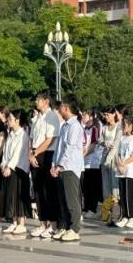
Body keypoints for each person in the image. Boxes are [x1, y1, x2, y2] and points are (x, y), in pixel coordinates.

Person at [29, 92, 61, 238]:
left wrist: (35, 153)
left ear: (46, 101)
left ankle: (53, 225)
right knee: (38, 191)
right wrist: (31, 153)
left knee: (48, 191)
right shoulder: (37, 118)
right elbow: (31, 138)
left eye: (39, 100)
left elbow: (50, 139)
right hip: (35, 154)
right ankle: (43, 224)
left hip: (46, 154)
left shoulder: (52, 116)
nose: (36, 102)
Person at [51, 99, 84, 242]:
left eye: (61, 107)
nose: (59, 110)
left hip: (70, 167)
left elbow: (69, 148)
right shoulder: (64, 126)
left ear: (67, 108)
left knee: (71, 200)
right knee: (62, 200)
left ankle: (74, 229)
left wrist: (60, 165)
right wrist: (54, 164)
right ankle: (64, 226)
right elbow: (58, 148)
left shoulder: (75, 126)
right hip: (61, 167)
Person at [0, 109, 31, 235]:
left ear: (17, 121)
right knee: (10, 196)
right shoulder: (10, 134)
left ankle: (21, 224)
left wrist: (9, 166)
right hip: (8, 169)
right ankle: (14, 222)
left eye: (10, 119)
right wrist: (3, 165)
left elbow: (18, 153)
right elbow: (5, 152)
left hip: (19, 169)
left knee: (19, 196)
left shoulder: (23, 135)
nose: (8, 121)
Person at [115, 114, 133, 232]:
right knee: (123, 194)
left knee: (131, 195)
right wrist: (119, 164)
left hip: (131, 171)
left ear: (131, 125)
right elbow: (118, 153)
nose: (123, 126)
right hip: (121, 171)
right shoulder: (122, 138)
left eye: (125, 124)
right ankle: (125, 216)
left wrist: (123, 163)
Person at [80, 109, 103, 218]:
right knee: (86, 186)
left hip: (93, 162)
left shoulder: (94, 129)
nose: (83, 117)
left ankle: (92, 209)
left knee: (92, 186)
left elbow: (93, 146)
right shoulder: (84, 129)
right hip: (85, 162)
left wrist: (82, 155)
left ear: (91, 117)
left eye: (85, 115)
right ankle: (86, 207)